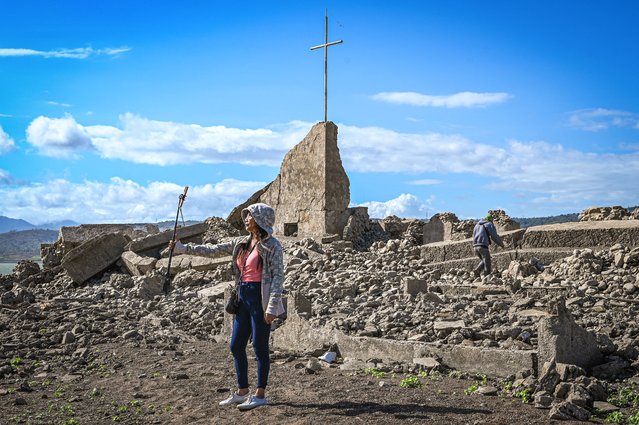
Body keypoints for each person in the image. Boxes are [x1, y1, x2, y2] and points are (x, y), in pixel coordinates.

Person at [168, 202, 285, 411]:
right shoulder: (241, 242)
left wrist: (272, 307)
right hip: (242, 298)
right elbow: (213, 250)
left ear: (260, 220)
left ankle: (260, 394)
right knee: (236, 345)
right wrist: (183, 249)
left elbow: (278, 278)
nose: (246, 219)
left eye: (249, 216)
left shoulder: (273, 246)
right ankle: (242, 392)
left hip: (261, 299)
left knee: (259, 347)